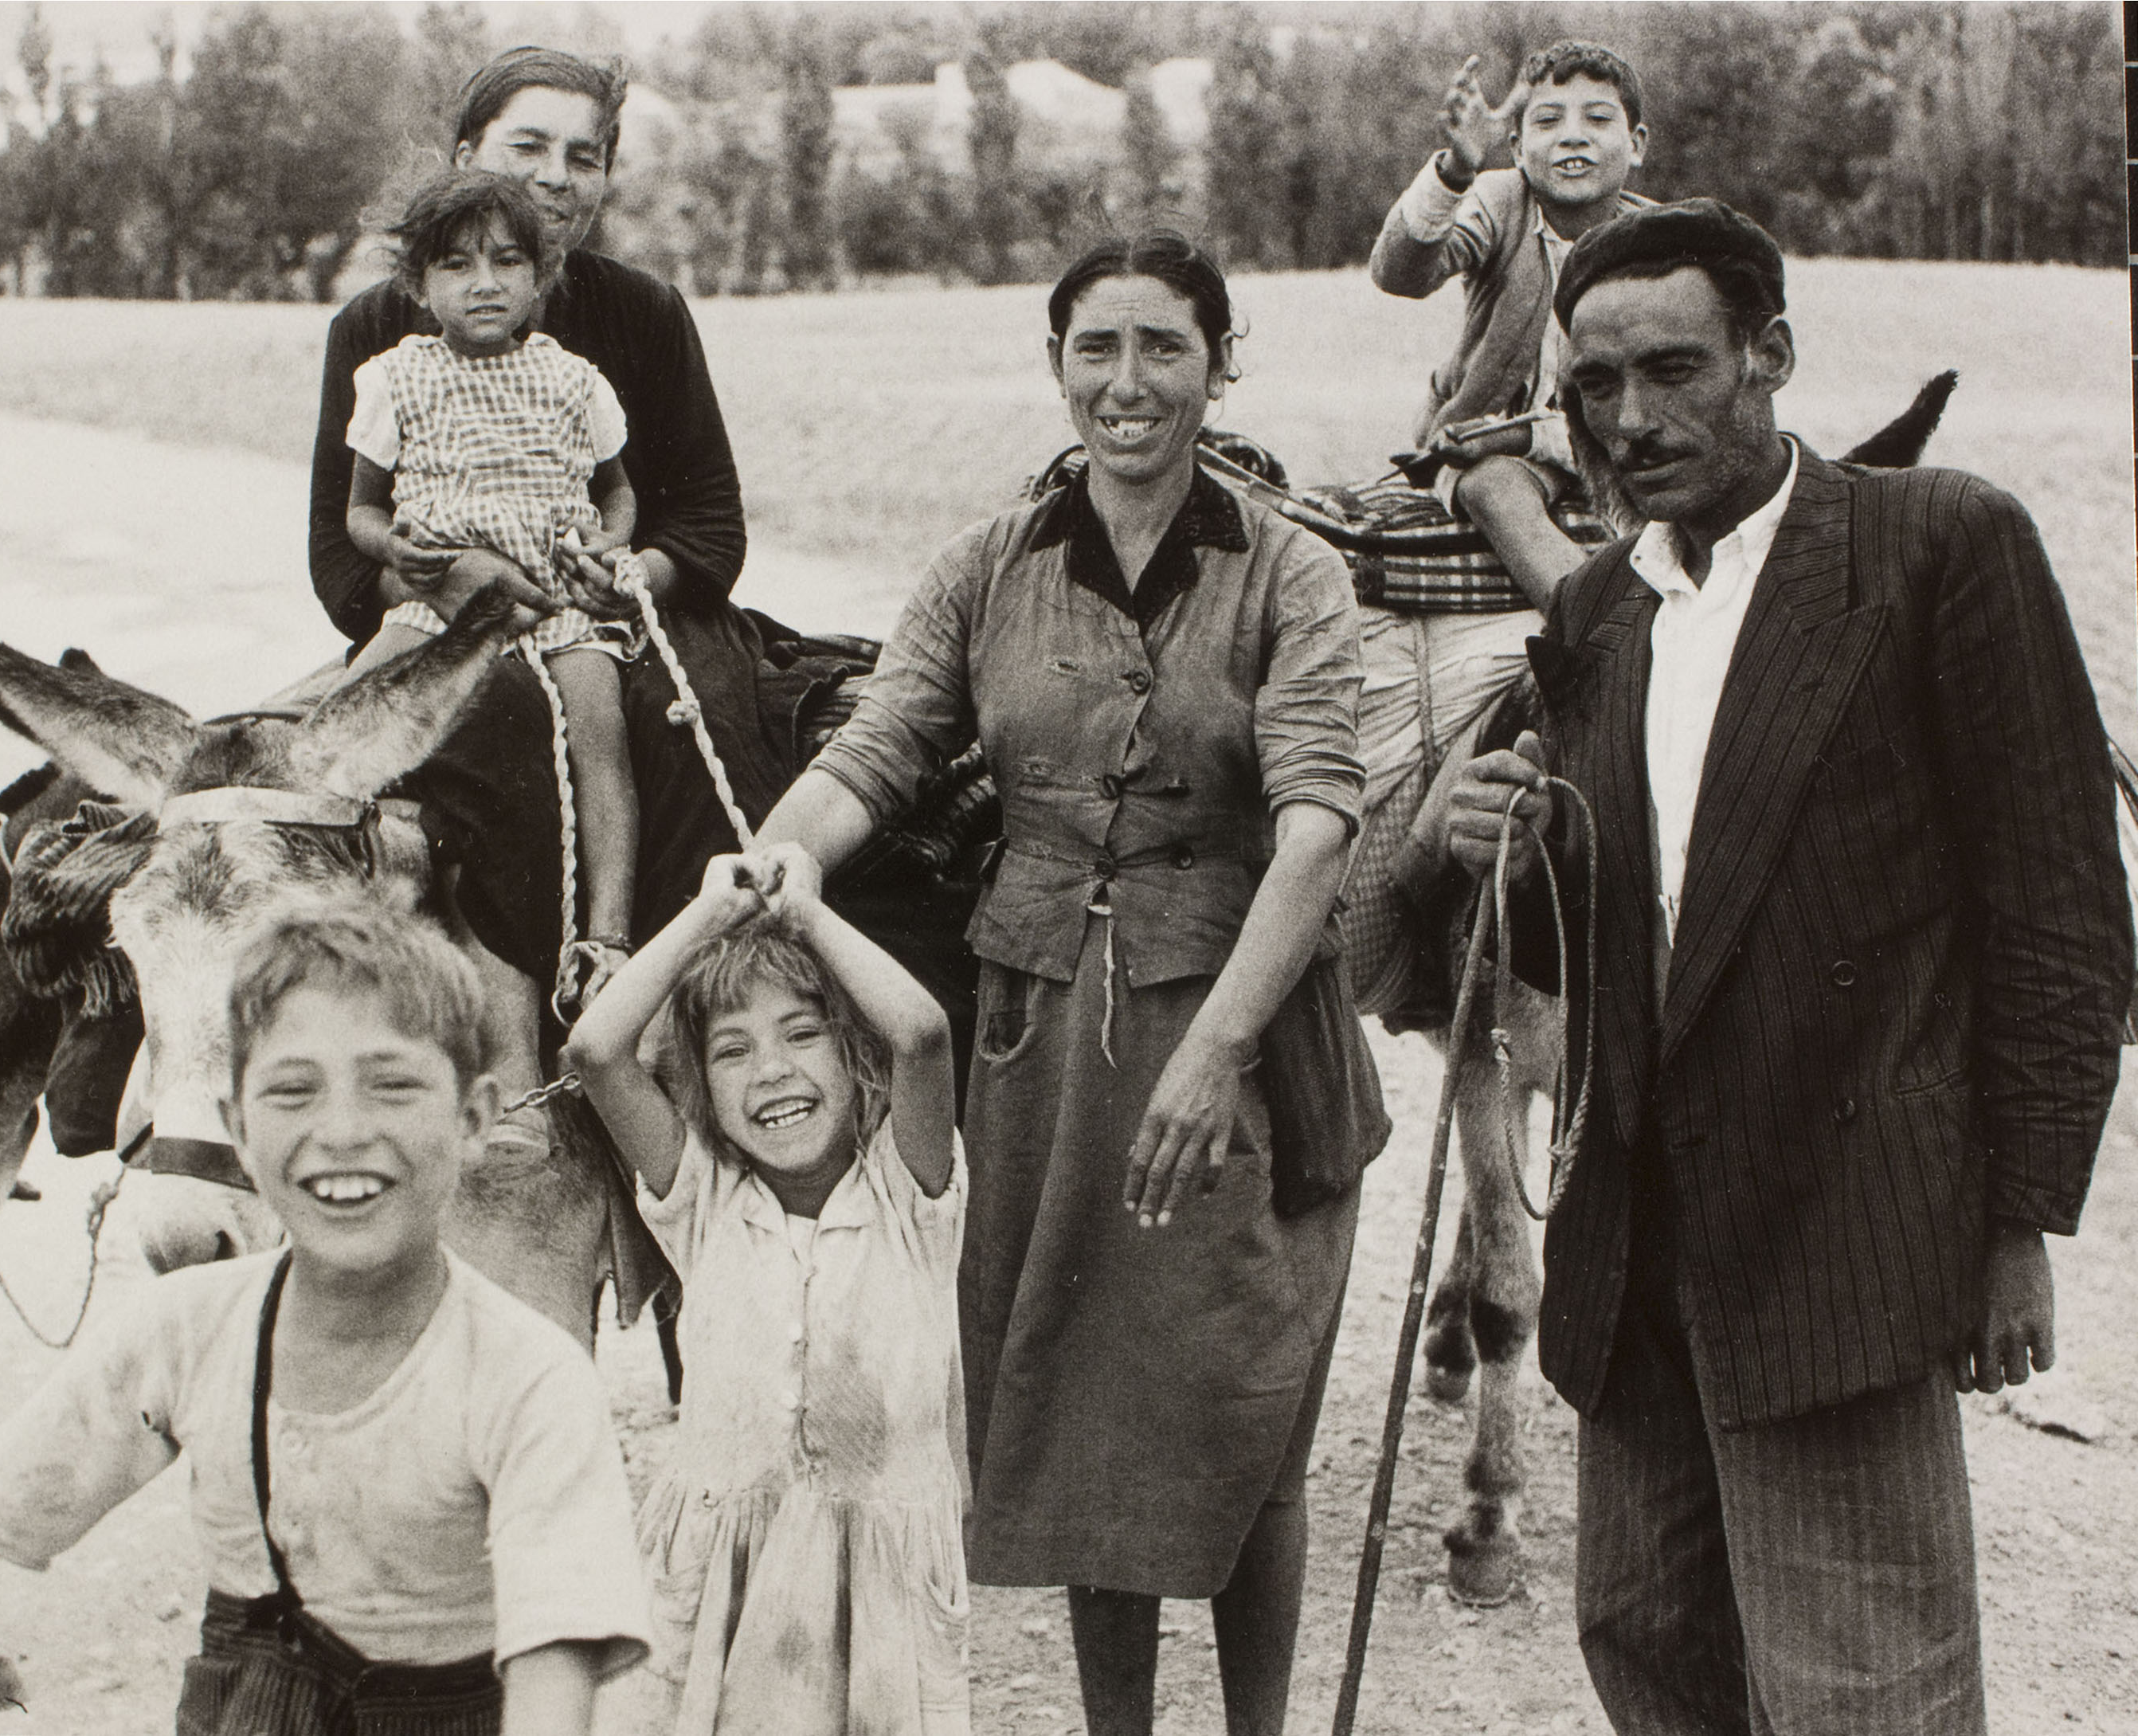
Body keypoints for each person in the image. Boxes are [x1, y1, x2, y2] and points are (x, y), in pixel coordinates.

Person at [1444, 199, 2130, 1733]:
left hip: (1843, 1242)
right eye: (1594, 389)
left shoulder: (1935, 543)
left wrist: (2016, 1220)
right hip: (1635, 1260)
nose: (1630, 420)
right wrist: (1504, 847)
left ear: (1771, 356)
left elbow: (2061, 909)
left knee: (1861, 1688)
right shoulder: (1603, 611)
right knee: (1650, 1648)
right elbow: (1601, 956)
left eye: (1675, 370)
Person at [751, 232, 1376, 1736]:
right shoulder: (987, 564)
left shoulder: (1292, 567)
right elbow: (878, 746)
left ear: (1221, 366)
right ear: (1055, 365)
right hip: (1040, 1051)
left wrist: (1218, 1044)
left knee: (1245, 1413)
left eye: (1164, 346)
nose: (1127, 382)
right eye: (1095, 347)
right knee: (1091, 1412)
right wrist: (778, 859)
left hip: (1247, 1038)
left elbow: (1318, 822)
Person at [0, 897, 654, 1735]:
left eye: (392, 1084)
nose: (343, 1130)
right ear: (236, 1129)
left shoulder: (530, 1378)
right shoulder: (183, 1330)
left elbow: (554, 1656)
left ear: (475, 1120)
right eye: (292, 1091)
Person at [308, 45, 765, 1161]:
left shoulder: (642, 316)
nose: (559, 176)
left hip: (601, 606)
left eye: (586, 154)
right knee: (268, 770)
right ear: (467, 156)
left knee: (716, 754)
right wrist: (448, 580)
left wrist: (621, 571)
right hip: (438, 613)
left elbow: (707, 522)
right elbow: (338, 549)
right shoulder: (379, 331)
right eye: (528, 147)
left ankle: (684, 1017)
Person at [566, 844, 967, 1734]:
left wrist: (810, 913)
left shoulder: (912, 1191)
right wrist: (710, 911)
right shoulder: (703, 1199)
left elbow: (924, 1032)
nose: (773, 1071)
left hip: (877, 1590)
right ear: (702, 1086)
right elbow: (597, 1048)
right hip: (718, 1580)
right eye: (732, 1051)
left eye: (802, 1032)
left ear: (852, 1049)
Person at [343, 167, 644, 1003]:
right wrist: (399, 550)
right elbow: (360, 514)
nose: (485, 285)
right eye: (457, 265)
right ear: (417, 282)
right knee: (354, 704)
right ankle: (331, 891)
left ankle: (608, 936)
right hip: (436, 595)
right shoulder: (395, 378)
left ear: (541, 276)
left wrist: (610, 539)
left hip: (556, 597)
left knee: (601, 727)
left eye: (507, 263)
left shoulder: (572, 380)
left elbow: (617, 486)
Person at [1369, 39, 1653, 609]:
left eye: (1598, 119)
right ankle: (1594, 624)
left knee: (1683, 500)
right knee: (1492, 486)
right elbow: (1400, 272)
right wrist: (1457, 169)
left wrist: (1535, 435)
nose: (1573, 135)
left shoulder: (1656, 240)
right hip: (1484, 441)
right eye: (1548, 121)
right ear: (1519, 149)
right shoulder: (1501, 204)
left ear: (1637, 144)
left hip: (1613, 437)